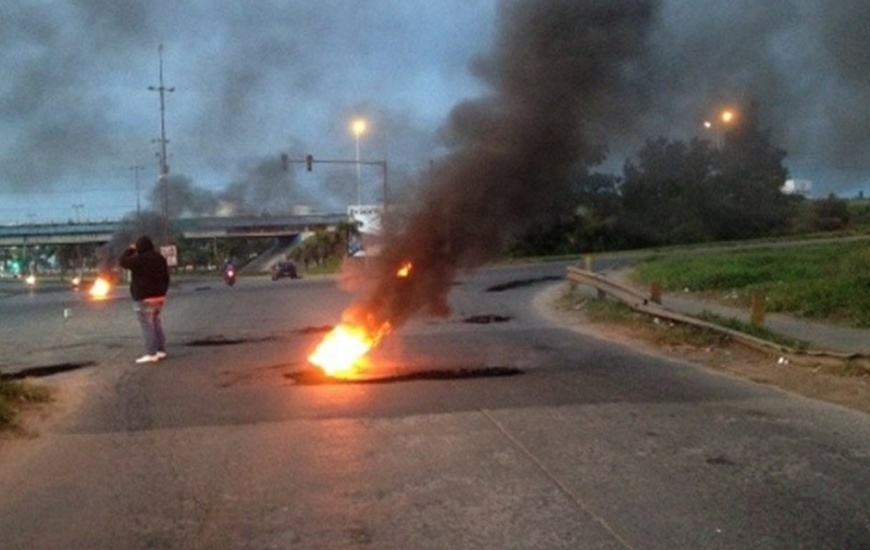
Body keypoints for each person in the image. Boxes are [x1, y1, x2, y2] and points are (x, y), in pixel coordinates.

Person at [119, 235, 170, 364]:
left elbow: (122, 262)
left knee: (147, 325)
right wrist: (163, 292)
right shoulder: (160, 259)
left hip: (144, 298)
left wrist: (130, 250)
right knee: (156, 323)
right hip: (159, 297)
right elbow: (166, 277)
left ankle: (152, 353)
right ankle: (161, 350)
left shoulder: (139, 260)